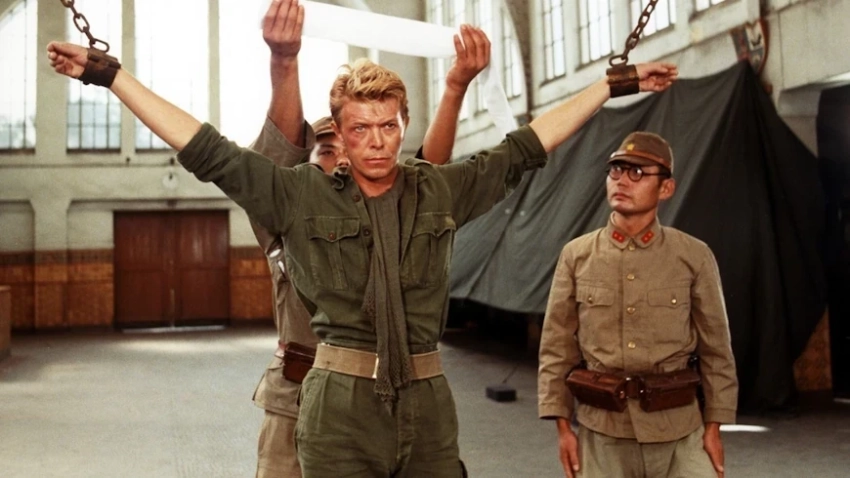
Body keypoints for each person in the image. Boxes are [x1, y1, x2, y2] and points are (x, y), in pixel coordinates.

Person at [46, 0, 677, 472]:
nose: (376, 142)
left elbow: (528, 146)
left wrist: (610, 84)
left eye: (387, 127)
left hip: (428, 402)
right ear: (340, 137)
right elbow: (204, 147)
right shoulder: (299, 194)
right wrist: (112, 76)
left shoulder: (438, 189)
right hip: (337, 406)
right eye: (360, 129)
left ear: (404, 125)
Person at [248, 3, 489, 476]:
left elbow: (430, 176)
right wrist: (284, 62)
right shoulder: (288, 211)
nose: (345, 159)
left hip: (390, 398)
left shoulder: (392, 208)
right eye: (328, 150)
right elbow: (277, 155)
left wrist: (455, 88)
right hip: (297, 396)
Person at [537, 132, 739, 478]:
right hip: (602, 433)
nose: (622, 181)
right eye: (616, 170)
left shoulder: (692, 256)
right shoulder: (577, 256)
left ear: (666, 188)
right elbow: (557, 347)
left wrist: (714, 426)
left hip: (678, 429)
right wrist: (563, 428)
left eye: (638, 173)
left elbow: (716, 348)